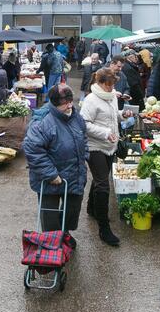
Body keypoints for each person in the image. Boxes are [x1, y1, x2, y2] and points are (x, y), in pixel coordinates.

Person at [22, 84, 88, 242]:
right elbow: (32, 149)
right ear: (54, 103)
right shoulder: (42, 121)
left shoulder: (75, 116)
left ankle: (64, 234)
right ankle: (51, 241)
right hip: (52, 178)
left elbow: (83, 135)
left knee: (71, 209)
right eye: (65, 103)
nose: (70, 105)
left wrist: (85, 154)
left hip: (73, 173)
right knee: (49, 214)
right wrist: (51, 175)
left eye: (71, 101)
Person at [80, 68, 134, 246]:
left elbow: (111, 116)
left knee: (99, 178)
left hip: (110, 146)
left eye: (113, 84)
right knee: (103, 184)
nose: (112, 88)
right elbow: (84, 124)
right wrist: (105, 133)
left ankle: (92, 208)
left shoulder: (111, 96)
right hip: (95, 146)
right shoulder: (90, 100)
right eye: (109, 84)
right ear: (101, 82)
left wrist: (122, 114)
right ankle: (104, 229)